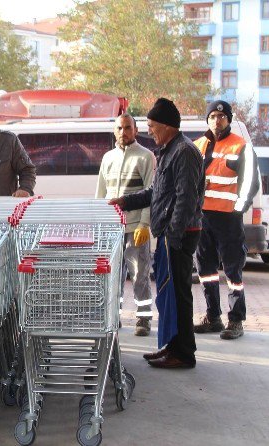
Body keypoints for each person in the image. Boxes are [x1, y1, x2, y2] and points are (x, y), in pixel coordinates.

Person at [109, 98, 204, 369]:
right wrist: (126, 201)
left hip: (180, 235)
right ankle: (172, 346)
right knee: (168, 295)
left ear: (165, 125)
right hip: (169, 233)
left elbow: (187, 200)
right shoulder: (169, 150)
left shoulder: (184, 151)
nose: (148, 131)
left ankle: (183, 353)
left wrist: (172, 235)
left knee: (178, 294)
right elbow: (157, 193)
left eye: (151, 125)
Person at [192, 100, 259, 340]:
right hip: (202, 217)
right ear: (207, 120)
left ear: (228, 119)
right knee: (206, 270)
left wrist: (237, 210)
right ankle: (213, 317)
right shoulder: (197, 145)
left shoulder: (241, 147)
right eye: (212, 116)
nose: (217, 120)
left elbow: (251, 183)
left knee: (233, 271)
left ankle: (236, 320)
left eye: (221, 116)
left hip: (228, 219)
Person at [96, 113, 156, 337]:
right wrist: (99, 223)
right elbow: (100, 193)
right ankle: (114, 315)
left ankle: (143, 318)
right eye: (120, 128)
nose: (123, 133)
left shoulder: (145, 157)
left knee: (139, 273)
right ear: (114, 131)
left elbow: (152, 194)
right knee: (113, 275)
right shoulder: (108, 157)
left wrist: (144, 223)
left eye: (128, 128)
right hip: (112, 228)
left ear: (136, 130)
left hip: (134, 227)